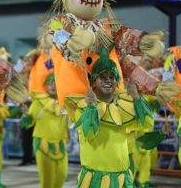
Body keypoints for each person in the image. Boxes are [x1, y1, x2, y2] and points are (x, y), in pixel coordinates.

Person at [64, 48, 153, 188]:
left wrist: (137, 99)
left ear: (117, 82)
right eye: (103, 77)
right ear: (93, 82)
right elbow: (89, 133)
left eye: (112, 77)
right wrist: (92, 108)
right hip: (95, 180)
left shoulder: (124, 108)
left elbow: (146, 123)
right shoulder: (83, 108)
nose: (108, 81)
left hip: (123, 178)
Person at [20, 73, 68, 188]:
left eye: (55, 83)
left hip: (60, 144)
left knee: (61, 177)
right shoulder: (38, 103)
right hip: (42, 144)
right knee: (47, 180)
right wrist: (26, 114)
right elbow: (28, 123)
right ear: (46, 86)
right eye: (50, 83)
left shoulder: (64, 104)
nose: (53, 85)